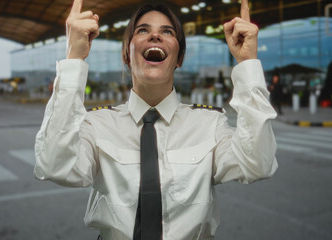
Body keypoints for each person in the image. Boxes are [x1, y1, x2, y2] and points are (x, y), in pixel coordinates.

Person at [34, 0, 278, 239]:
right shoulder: (98, 124)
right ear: (127, 55)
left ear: (179, 57)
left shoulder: (209, 124)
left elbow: (257, 164)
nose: (155, 36)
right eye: (143, 30)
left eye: (167, 31)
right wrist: (74, 59)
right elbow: (55, 165)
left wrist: (247, 64)